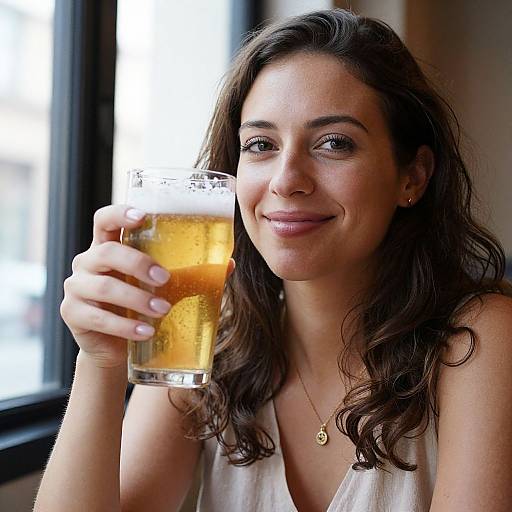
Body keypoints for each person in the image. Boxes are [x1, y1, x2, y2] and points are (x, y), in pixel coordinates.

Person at [34, 9, 512, 512]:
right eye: (260, 145)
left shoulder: (479, 340)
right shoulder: (210, 339)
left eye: (334, 143)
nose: (286, 180)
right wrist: (101, 361)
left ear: (412, 176)